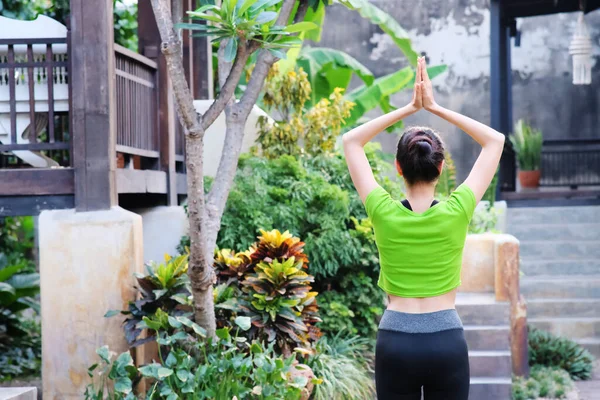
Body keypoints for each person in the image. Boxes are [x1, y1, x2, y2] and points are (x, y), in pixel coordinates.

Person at [342, 57, 505, 400]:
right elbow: (495, 141)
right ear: (441, 167)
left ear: (398, 168)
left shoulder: (383, 212)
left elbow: (351, 142)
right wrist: (433, 107)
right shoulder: (456, 211)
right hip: (446, 340)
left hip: (395, 342)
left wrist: (409, 108)